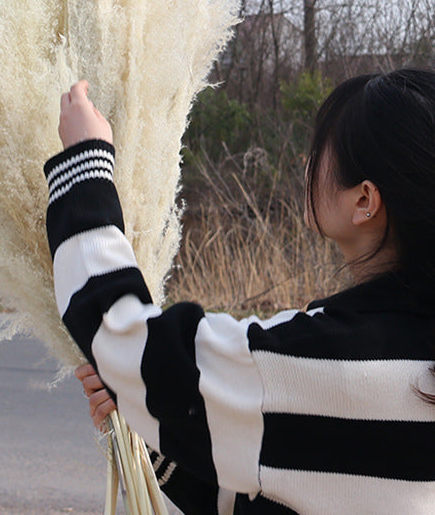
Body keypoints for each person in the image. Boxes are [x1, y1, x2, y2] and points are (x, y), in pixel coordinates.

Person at [44, 71, 435, 515]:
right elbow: (276, 493)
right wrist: (147, 421)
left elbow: (119, 332)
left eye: (322, 152)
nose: (306, 165)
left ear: (365, 200)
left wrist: (85, 165)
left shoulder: (319, 359)